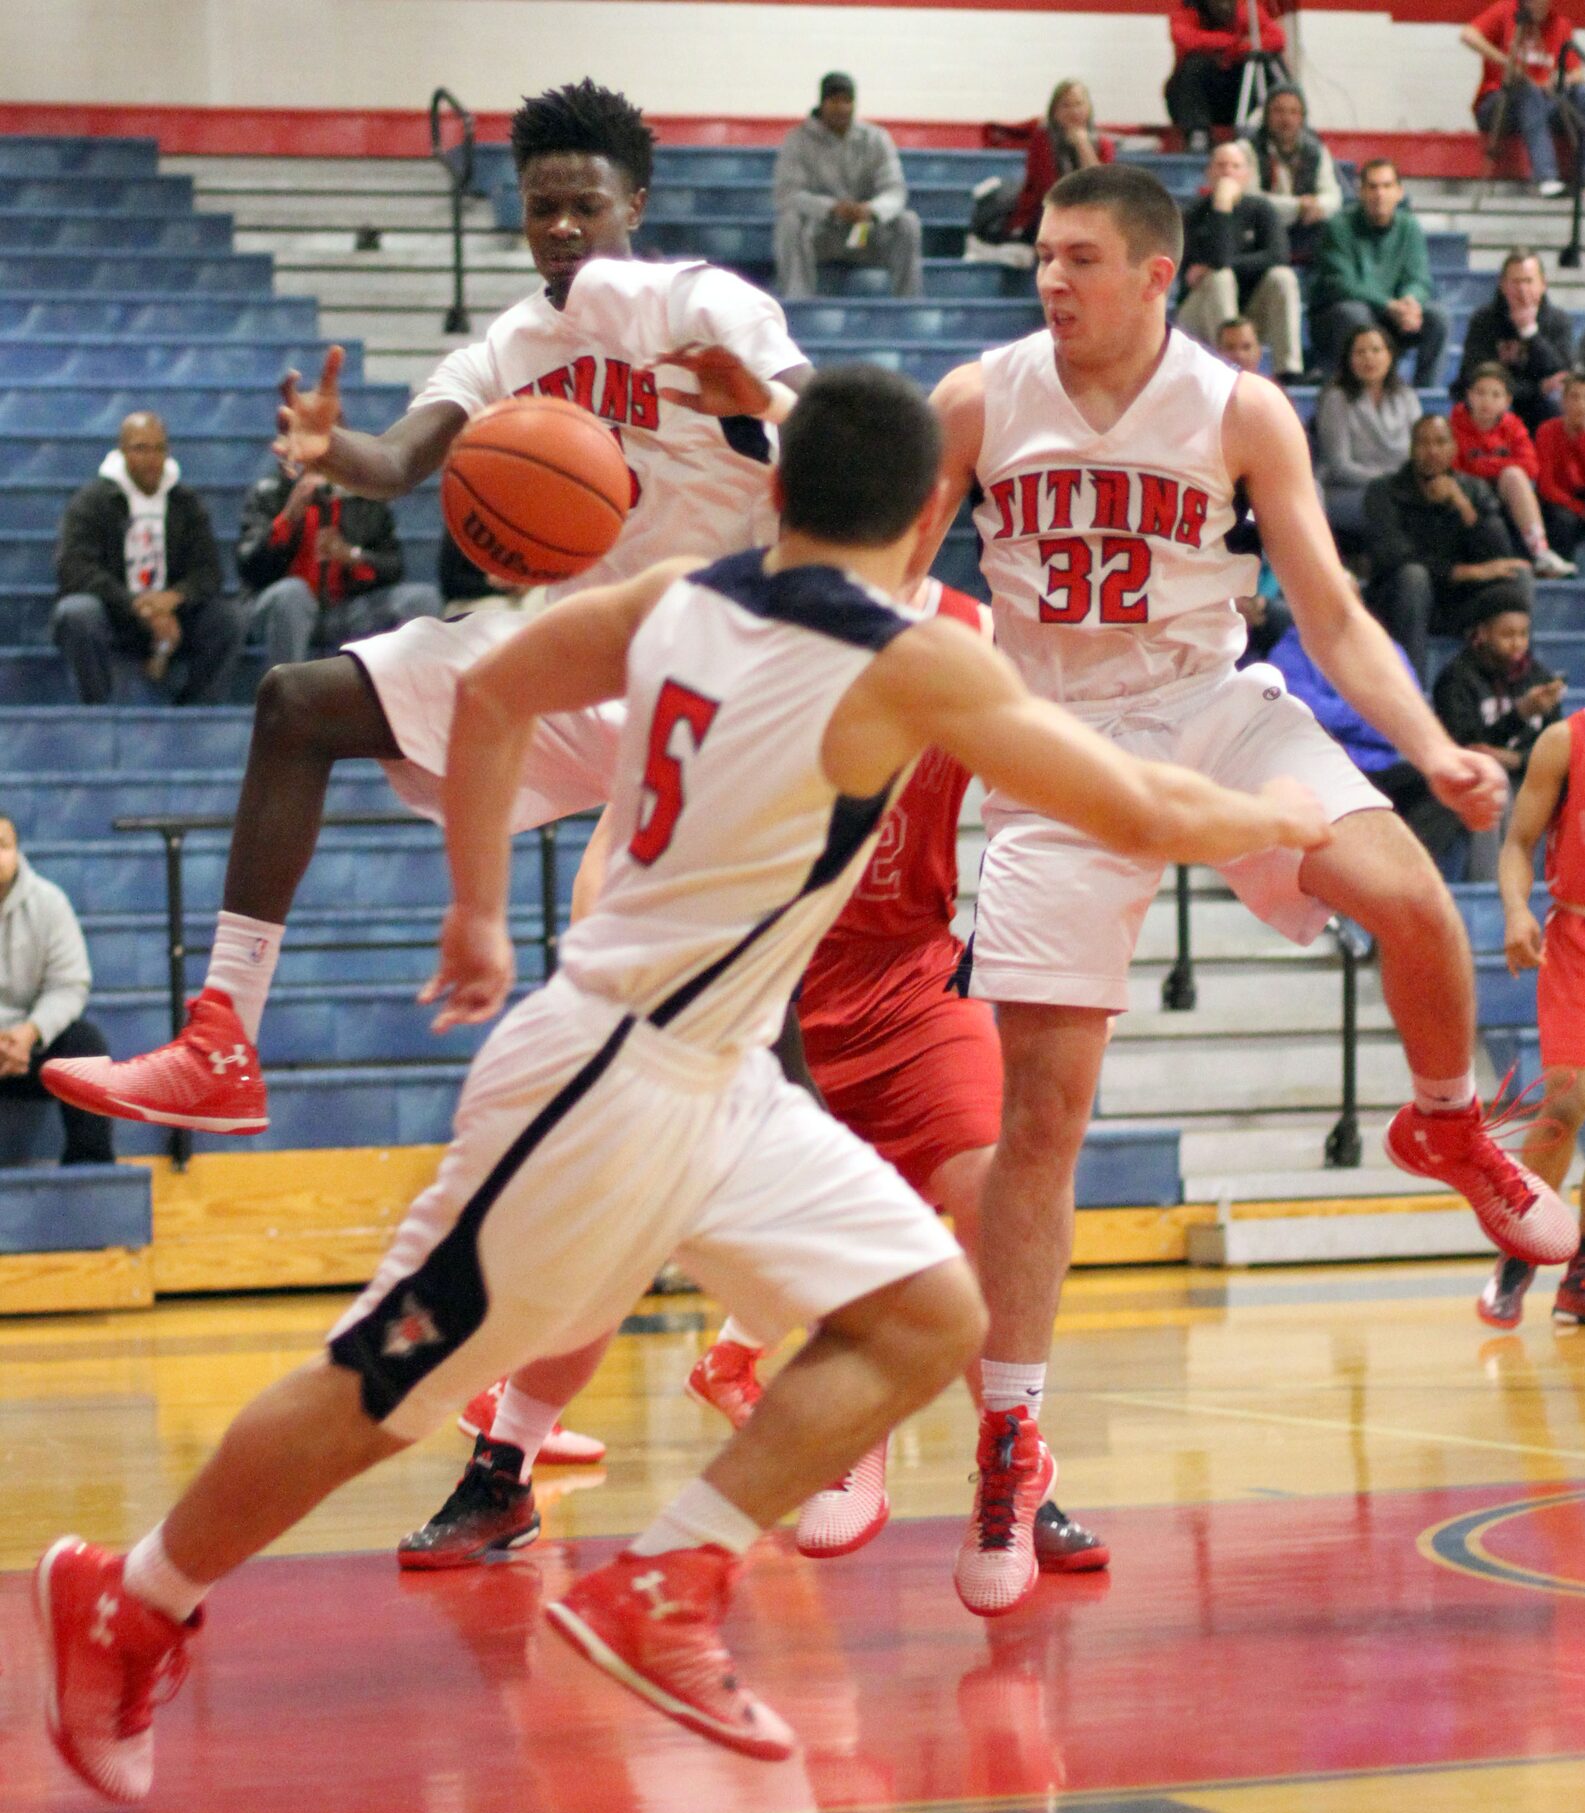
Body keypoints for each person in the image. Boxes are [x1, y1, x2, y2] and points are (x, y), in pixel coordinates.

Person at [32, 364, 1333, 1796]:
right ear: (922, 523)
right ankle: (133, 1591)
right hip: (607, 1072)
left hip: (717, 1080)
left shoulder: (683, 597)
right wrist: (1277, 806)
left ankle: (666, 1578)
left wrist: (475, 908)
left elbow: (499, 686)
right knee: (383, 1384)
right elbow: (1138, 803)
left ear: (775, 490)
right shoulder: (910, 654)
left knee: (925, 1312)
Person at [916, 163, 1577, 1617]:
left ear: (1160, 276)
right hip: (1051, 748)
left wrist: (1430, 746)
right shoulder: (977, 399)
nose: (1050, 280)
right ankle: (1009, 1434)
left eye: (1080, 258)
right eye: (1042, 257)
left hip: (1214, 710)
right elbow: (891, 589)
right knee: (1041, 1121)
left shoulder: (1236, 407)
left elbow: (1331, 609)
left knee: (1409, 894)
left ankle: (1446, 1123)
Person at [42, 79, 813, 1137]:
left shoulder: (706, 307)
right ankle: (220, 1039)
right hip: (574, 662)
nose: (559, 227)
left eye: (583, 203)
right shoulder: (507, 346)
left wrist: (763, 402)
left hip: (724, 671)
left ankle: (822, 1220)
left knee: (752, 1020)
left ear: (634, 202)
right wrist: (329, 452)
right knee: (297, 702)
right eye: (540, 205)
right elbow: (401, 460)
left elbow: (837, 440)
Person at [400, 573, 1107, 1577]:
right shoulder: (738, 629)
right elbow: (616, 839)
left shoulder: (971, 639)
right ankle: (505, 1464)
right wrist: (618, 960)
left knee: (989, 1191)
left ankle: (1015, 1472)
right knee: (617, 1222)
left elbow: (1060, 795)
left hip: (899, 973)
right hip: (746, 979)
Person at [1476, 709, 1585, 1328]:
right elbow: (1517, 843)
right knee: (1566, 1101)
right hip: (1575, 935)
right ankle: (1519, 1253)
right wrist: (1517, 911)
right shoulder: (1564, 742)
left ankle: (1582, 1276)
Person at [50, 412, 245, 707]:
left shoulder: (186, 503)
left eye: (159, 448)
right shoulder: (91, 502)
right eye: (141, 448)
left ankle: (195, 714)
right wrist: (137, 606)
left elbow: (208, 572)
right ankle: (97, 714)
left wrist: (174, 598)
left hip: (174, 617)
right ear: (122, 452)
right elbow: (75, 569)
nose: (152, 458)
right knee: (76, 613)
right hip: (114, 615)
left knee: (229, 619)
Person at [1261, 619, 1464, 868]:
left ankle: (1397, 870)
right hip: (1329, 769)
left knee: (1447, 789)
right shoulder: (1287, 653)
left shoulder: (1386, 648)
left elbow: (1407, 716)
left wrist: (1349, 718)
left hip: (1385, 765)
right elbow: (1307, 714)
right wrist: (1372, 714)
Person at [1362, 412, 1534, 683]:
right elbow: (1392, 555)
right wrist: (1462, 572)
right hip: (1401, 599)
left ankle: (1514, 683)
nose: (1432, 451)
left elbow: (1499, 554)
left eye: (1440, 442)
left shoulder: (1474, 490)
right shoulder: (1383, 491)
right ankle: (1411, 688)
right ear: (1411, 449)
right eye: (1423, 443)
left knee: (1518, 576)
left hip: (1458, 603)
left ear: (1454, 448)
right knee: (1413, 576)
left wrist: (1463, 507)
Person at [237, 467, 442, 670]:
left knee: (423, 599)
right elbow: (248, 567)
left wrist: (352, 556)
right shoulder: (270, 491)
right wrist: (287, 519)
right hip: (280, 610)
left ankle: (413, 695)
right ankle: (284, 695)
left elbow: (394, 567)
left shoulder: (364, 497)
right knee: (293, 593)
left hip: (344, 609)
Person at [0, 813, 113, 1167]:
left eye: (2, 846)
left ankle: (90, 1171)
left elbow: (69, 984)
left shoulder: (50, 903)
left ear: (17, 851)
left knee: (85, 1044)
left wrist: (30, 1032)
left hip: (31, 1046)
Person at [1433, 599, 1564, 877]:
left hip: (1527, 774)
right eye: (1507, 635)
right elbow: (1466, 746)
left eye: (1523, 634)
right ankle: (1490, 890)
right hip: (1473, 779)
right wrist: (1520, 714)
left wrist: (1517, 760)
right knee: (1493, 784)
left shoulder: (1539, 678)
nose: (1517, 643)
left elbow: (1559, 748)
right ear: (1482, 633)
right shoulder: (1456, 679)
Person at [772, 73, 924, 300]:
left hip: (866, 235)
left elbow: (895, 190)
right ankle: (797, 304)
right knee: (790, 222)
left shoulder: (876, 139)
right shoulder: (798, 140)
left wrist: (872, 210)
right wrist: (832, 208)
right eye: (834, 100)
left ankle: (908, 306)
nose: (841, 107)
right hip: (821, 237)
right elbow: (787, 194)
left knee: (907, 223)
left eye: (847, 100)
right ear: (822, 103)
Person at [1309, 160, 1449, 389]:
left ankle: (1425, 396)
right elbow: (1342, 284)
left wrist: (1409, 302)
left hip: (1393, 317)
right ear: (1360, 191)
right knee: (1355, 314)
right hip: (1340, 318)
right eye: (1372, 187)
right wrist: (1388, 305)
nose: (1379, 194)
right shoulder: (1338, 226)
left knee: (1437, 318)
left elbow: (1419, 279)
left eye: (1386, 186)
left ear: (1399, 192)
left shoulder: (1409, 226)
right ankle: (1358, 392)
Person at [1175, 142, 1303, 383]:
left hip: (1251, 308)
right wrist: (1222, 207)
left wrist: (1225, 264)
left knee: (1282, 277)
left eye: (1235, 166)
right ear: (1209, 173)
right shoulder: (1193, 214)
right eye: (1221, 165)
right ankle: (1226, 363)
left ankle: (1288, 369)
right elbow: (1219, 262)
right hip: (1200, 311)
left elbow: (1278, 256)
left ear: (1247, 175)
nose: (1227, 172)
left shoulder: (1262, 209)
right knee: (1220, 279)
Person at [1451, 362, 1575, 575]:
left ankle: (1540, 552)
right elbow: (1453, 468)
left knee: (1515, 475)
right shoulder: (1453, 425)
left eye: (1495, 395)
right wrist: (1497, 465)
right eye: (1480, 393)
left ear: (1507, 401)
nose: (1487, 401)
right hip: (1467, 491)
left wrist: (1483, 464)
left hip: (1503, 490)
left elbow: (1530, 466)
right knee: (1509, 472)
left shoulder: (1514, 426)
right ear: (1469, 395)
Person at [1462, 0, 1585, 198]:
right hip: (1499, 104)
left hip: (1544, 104)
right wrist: (1505, 61)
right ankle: (1546, 178)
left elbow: (1578, 72)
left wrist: (1563, 79)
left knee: (1581, 94)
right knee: (1528, 91)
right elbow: (1468, 35)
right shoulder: (1506, 11)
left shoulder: (1560, 24)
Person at [1314, 324, 1422, 548]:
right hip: (1350, 490)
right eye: (1360, 352)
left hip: (1403, 487)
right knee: (1389, 503)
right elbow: (1339, 466)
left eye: (1375, 350)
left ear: (1390, 355)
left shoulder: (1406, 396)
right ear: (1349, 359)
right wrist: (1389, 481)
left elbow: (1419, 451)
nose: (1368, 358)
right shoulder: (1337, 399)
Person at [977, 81, 1115, 251]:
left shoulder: (1103, 144)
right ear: (1054, 111)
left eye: (1079, 104)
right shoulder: (1043, 140)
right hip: (1046, 214)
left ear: (1089, 108)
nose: (1074, 111)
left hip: (1090, 217)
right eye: (1066, 105)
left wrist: (1082, 145)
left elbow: (1103, 189)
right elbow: (1048, 188)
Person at [1454, 249, 1575, 436]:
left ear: (1543, 285)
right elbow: (1477, 376)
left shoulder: (1559, 321)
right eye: (1515, 281)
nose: (1522, 289)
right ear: (1502, 285)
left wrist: (1530, 333)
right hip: (1494, 400)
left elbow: (1562, 376)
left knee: (1557, 405)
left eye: (1528, 281)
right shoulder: (1484, 320)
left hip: (1539, 405)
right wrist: (1537, 388)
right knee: (1485, 400)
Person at [1238, 83, 1343, 268]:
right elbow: (1250, 198)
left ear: (1302, 118)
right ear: (1266, 116)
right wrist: (1298, 206)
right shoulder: (1247, 149)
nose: (1286, 119)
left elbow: (1333, 196)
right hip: (1260, 233)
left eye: (1293, 112)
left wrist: (1318, 205)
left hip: (1305, 229)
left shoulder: (1317, 151)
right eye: (1278, 111)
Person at [1164, 0, 1289, 152]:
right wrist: (1234, 43)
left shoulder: (1246, 10)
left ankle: (1282, 128)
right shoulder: (1187, 12)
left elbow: (1277, 38)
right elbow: (1186, 39)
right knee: (1194, 65)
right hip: (1199, 101)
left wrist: (1235, 50)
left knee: (1269, 61)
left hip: (1240, 97)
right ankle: (1198, 135)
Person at [1536, 370, 1585, 560]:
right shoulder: (1547, 430)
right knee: (1563, 520)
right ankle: (1559, 572)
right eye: (1575, 397)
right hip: (1558, 501)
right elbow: (1546, 486)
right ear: (1563, 401)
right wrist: (1579, 508)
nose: (1581, 404)